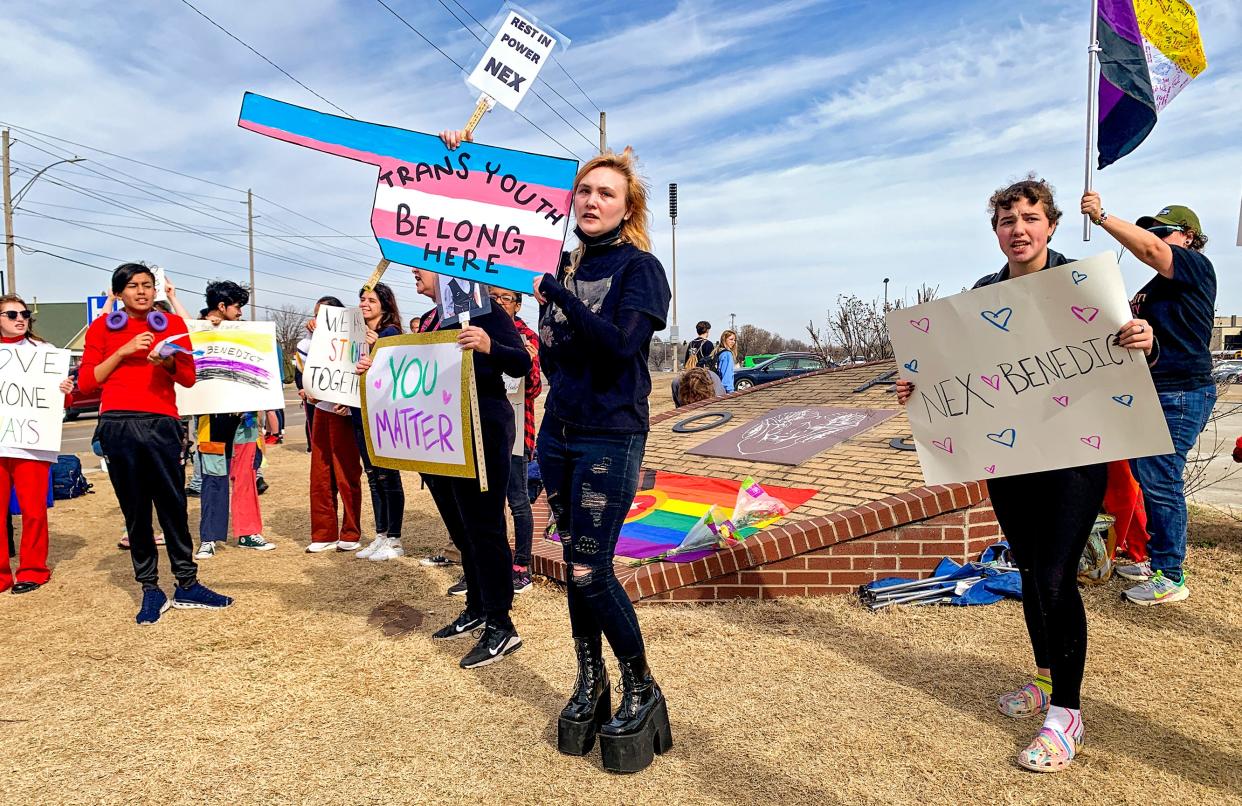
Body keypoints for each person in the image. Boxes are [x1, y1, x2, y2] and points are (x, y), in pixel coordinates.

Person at [896, 177, 1152, 773]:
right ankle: (1044, 678)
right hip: (1009, 459)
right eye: (1008, 220)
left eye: (1030, 218)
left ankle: (1066, 713)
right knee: (1033, 573)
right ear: (996, 231)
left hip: (1075, 457)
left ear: (1052, 225)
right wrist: (915, 385)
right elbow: (951, 370)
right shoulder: (982, 295)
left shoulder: (1083, 282)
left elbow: (1130, 345)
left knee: (1059, 576)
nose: (1019, 229)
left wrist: (1147, 340)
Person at [533, 146, 674, 773]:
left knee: (593, 570)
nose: (592, 201)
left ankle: (640, 685)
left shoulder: (641, 270)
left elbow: (620, 348)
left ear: (626, 207)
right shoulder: (555, 267)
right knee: (573, 567)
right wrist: (459, 159)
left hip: (609, 436)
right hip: (557, 433)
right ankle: (591, 682)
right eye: (584, 191)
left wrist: (560, 298)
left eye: (606, 193)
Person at [384, 257, 531, 669]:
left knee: (485, 528)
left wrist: (489, 346)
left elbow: (521, 362)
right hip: (440, 440)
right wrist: (375, 369)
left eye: (420, 265)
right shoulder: (432, 320)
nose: (413, 271)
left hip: (480, 430)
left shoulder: (484, 307)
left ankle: (502, 626)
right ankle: (478, 606)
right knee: (460, 527)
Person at [79, 263, 233, 624]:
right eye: (133, 286)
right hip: (118, 423)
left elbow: (190, 378)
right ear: (118, 293)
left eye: (148, 285)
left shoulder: (173, 326)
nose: (142, 292)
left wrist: (165, 362)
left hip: (162, 422)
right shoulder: (103, 327)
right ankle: (150, 588)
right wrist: (123, 351)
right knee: (136, 511)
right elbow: (87, 383)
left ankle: (187, 583)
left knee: (173, 505)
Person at [1081, 194, 1214, 605]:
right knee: (1148, 476)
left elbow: (1153, 250)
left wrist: (1102, 218)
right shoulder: (1158, 286)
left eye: (1164, 230)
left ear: (1189, 237)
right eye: (1151, 229)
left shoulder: (1193, 265)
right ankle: (1153, 559)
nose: (1154, 237)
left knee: (1161, 478)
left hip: (1181, 389)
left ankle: (1170, 575)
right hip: (1154, 388)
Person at [194, 280, 275, 558]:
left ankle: (248, 532)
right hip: (212, 419)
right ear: (221, 306)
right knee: (213, 477)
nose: (240, 312)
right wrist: (205, 323)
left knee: (246, 476)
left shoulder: (248, 335)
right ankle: (209, 537)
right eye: (237, 306)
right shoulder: (199, 331)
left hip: (246, 419)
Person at [0, 295, 73, 594]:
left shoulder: (45, 352)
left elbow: (59, 402)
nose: (20, 318)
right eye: (12, 314)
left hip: (31, 445)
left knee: (33, 511)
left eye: (25, 313)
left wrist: (65, 391)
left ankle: (32, 570)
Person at [488, 287, 542, 593]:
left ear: (518, 305)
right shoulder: (479, 329)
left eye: (505, 298)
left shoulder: (526, 337)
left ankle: (522, 565)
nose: (498, 302)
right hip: (487, 430)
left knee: (518, 500)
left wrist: (530, 362)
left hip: (519, 429)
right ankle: (492, 563)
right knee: (488, 503)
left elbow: (533, 390)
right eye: (493, 297)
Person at [300, 296, 364, 553]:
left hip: (344, 413)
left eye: (325, 314)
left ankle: (350, 531)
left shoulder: (355, 339)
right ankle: (323, 532)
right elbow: (303, 373)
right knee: (320, 474)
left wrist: (348, 401)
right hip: (320, 411)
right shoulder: (307, 343)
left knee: (347, 473)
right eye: (316, 314)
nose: (318, 319)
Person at [351, 283, 407, 562]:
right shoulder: (353, 333)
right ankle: (381, 533)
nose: (365, 304)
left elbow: (394, 372)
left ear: (385, 305)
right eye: (362, 299)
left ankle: (395, 538)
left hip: (383, 413)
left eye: (371, 300)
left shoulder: (390, 333)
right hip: (358, 410)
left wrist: (377, 346)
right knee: (372, 476)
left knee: (388, 474)